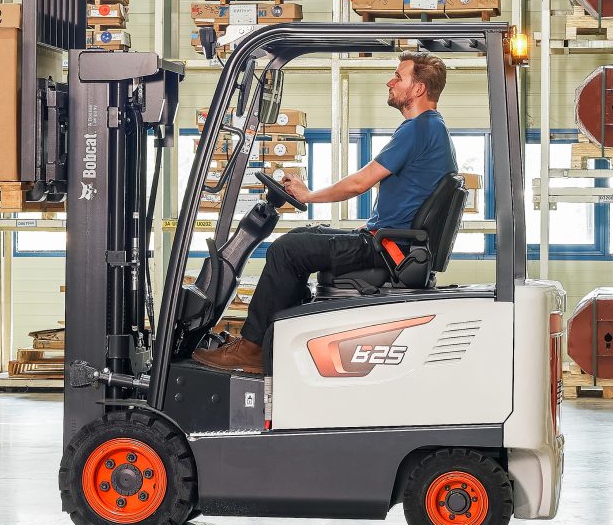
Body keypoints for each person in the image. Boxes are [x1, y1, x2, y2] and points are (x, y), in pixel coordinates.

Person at [192, 53, 458, 374]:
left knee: (286, 250)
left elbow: (360, 182)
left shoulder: (418, 129)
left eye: (398, 77)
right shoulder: (430, 129)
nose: (390, 82)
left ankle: (252, 349)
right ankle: (279, 339)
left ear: (418, 89)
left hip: (384, 249)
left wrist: (309, 195)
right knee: (303, 237)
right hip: (388, 244)